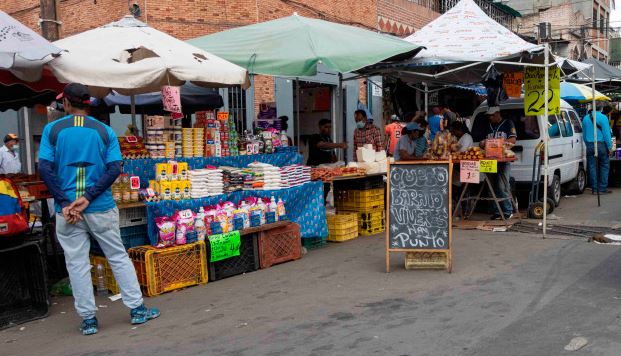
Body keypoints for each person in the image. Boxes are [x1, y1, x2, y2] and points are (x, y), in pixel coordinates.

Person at [38, 83, 159, 336]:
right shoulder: (104, 131)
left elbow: (45, 168)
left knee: (77, 263)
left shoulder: (53, 130)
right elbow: (115, 168)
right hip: (100, 206)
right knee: (117, 255)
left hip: (67, 210)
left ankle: (89, 320)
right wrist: (90, 197)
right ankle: (137, 309)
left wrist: (64, 202)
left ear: (68, 104)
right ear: (88, 104)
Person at [479, 107, 516, 220]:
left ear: (497, 114)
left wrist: (498, 143)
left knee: (502, 186)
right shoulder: (488, 125)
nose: (490, 117)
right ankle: (496, 211)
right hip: (489, 160)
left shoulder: (508, 123)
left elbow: (512, 141)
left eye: (492, 115)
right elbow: (482, 143)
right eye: (489, 116)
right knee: (490, 185)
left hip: (503, 160)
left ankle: (507, 211)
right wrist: (483, 143)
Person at [582, 109, 613, 194]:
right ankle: (602, 188)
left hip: (590, 145)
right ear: (601, 108)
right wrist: (610, 147)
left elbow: (584, 135)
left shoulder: (585, 118)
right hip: (601, 145)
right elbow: (607, 134)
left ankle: (595, 189)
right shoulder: (603, 118)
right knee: (604, 165)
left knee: (592, 167)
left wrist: (587, 144)